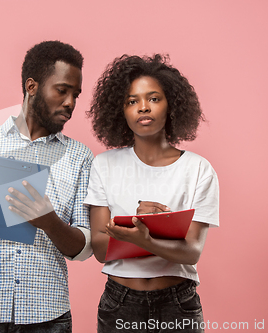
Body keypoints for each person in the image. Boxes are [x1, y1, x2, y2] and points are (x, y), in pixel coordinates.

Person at [0, 40, 93, 332]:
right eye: (62, 90)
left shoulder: (80, 156)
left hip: (48, 316)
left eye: (76, 94)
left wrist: (49, 222)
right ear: (31, 86)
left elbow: (85, 248)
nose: (71, 102)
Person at [84, 54, 219, 332]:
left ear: (171, 105)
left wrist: (141, 236)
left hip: (178, 301)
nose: (143, 107)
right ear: (120, 111)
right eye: (132, 101)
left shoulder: (198, 169)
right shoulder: (103, 165)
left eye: (154, 98)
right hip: (120, 302)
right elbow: (100, 249)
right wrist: (148, 231)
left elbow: (192, 252)